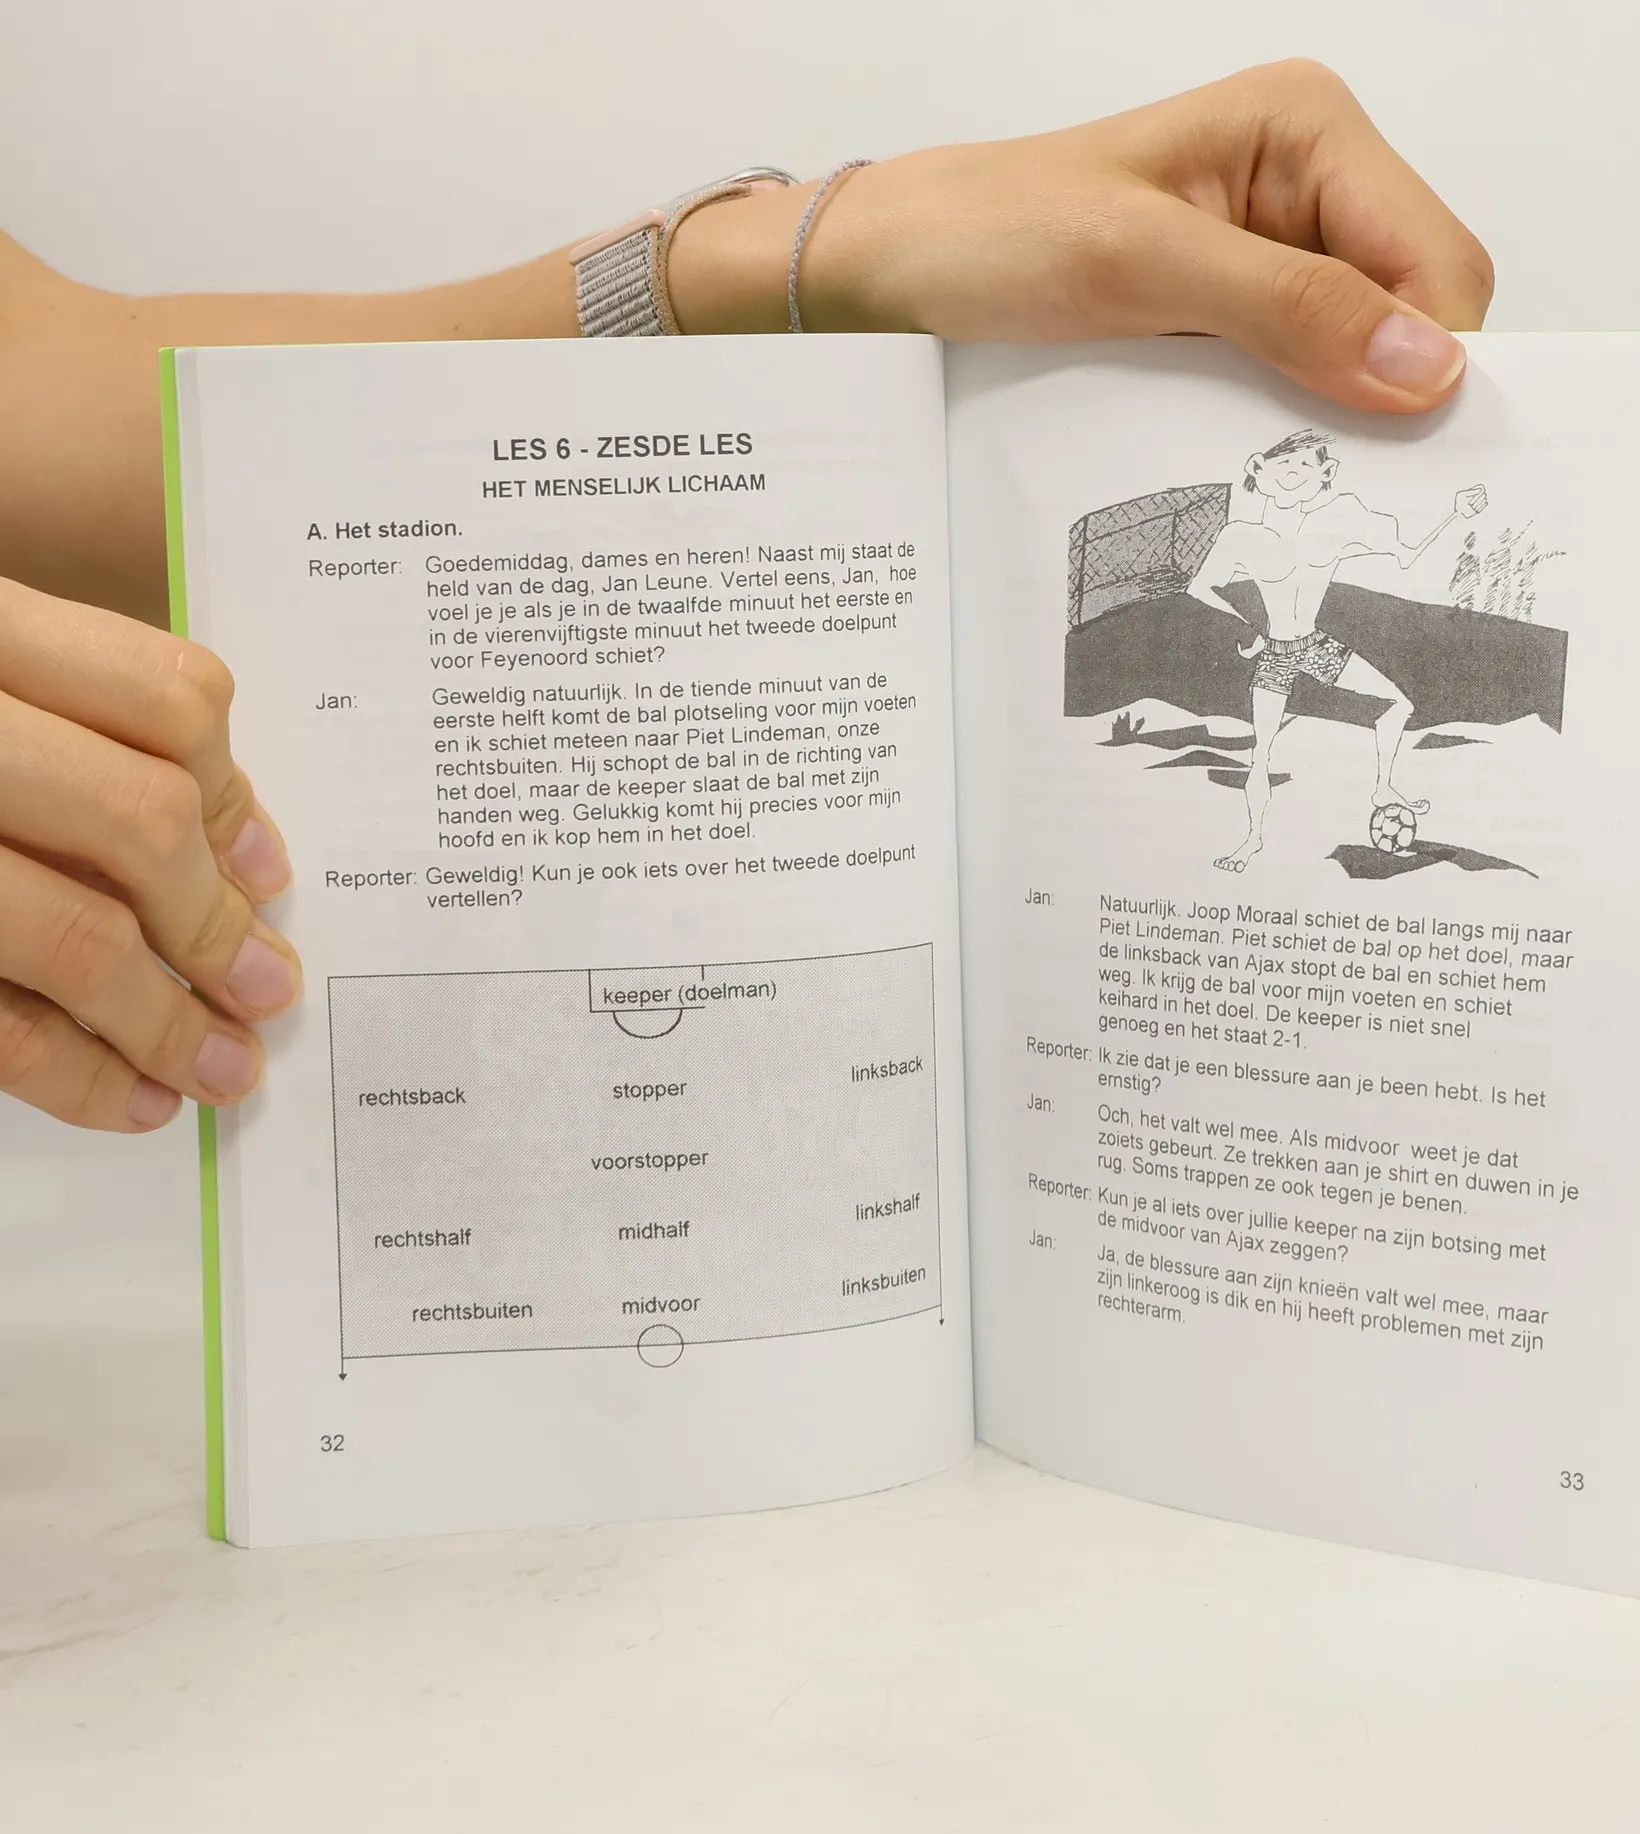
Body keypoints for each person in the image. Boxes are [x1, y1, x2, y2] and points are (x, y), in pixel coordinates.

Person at [0, 60, 1494, 1133]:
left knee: (1357, 725)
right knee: (1289, 738)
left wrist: (791, 256)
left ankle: (1322, 809)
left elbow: (47, 400)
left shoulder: (1317, 522)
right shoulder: (1261, 542)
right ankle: (1269, 821)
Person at [1186, 428, 1486, 871]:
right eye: (1283, 463)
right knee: (1261, 753)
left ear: (1325, 474)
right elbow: (1199, 587)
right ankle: (1251, 841)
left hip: (1315, 645)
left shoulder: (1337, 519)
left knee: (1397, 705)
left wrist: (1454, 514)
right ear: (1257, 469)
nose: (1293, 472)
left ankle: (1383, 787)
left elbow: (1406, 555)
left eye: (1305, 464)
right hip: (1276, 653)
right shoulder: (1241, 536)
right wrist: (1248, 627)